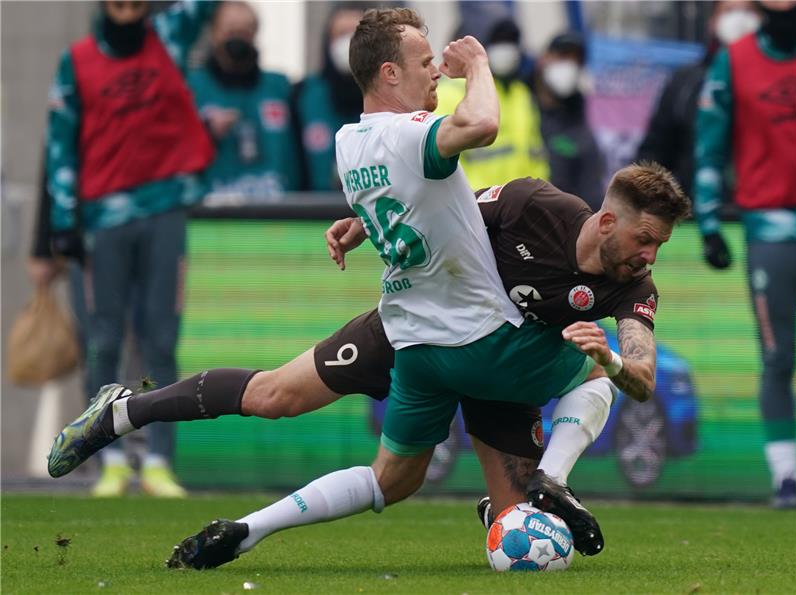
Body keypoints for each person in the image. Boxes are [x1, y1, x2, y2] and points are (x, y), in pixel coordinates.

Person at [48, 8, 689, 567]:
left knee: (335, 436)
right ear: (388, 74)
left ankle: (140, 427)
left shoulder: (350, 142)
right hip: (472, 338)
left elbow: (431, 197)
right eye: (423, 61)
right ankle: (547, 481)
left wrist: (364, 222)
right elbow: (482, 127)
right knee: (588, 380)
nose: (437, 71)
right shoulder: (454, 157)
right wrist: (481, 67)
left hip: (414, 331)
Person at [46, 0, 218, 497]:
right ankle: (111, 460)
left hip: (165, 208)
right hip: (101, 220)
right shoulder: (75, 60)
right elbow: (58, 140)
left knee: (161, 340)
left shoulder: (170, 33)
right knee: (102, 342)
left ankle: (160, 459)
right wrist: (62, 222)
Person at [693, 0, 796, 509]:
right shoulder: (732, 61)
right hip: (770, 228)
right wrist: (709, 223)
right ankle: (787, 476)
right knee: (778, 356)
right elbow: (710, 145)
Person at [637, 0, 761, 198]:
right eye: (729, 10)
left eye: (748, 10)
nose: (740, 19)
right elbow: (654, 153)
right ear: (713, 21)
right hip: (691, 219)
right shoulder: (685, 83)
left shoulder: (780, 80)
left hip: (764, 218)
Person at [188, 1, 299, 201]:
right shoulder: (191, 88)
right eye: (230, 31)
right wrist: (205, 131)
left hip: (277, 215)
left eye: (245, 32)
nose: (238, 38)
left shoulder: (280, 88)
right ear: (214, 33)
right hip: (211, 216)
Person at [435, 18, 549, 189]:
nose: (507, 50)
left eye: (511, 42)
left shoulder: (520, 93)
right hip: (477, 208)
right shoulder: (448, 94)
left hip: (521, 208)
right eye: (498, 42)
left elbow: (536, 156)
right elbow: (442, 163)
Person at [293, 2, 364, 191]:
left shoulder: (390, 97)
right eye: (341, 35)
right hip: (313, 213)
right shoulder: (302, 94)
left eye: (356, 35)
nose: (348, 43)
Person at [534, 32, 606, 211]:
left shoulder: (579, 123)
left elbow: (591, 192)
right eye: (563, 56)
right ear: (544, 58)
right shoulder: (519, 105)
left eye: (576, 61)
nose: (568, 66)